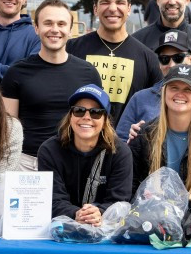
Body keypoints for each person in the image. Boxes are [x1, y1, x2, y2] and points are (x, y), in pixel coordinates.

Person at [127, 64, 191, 230]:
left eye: (188, 89)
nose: (180, 94)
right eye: (174, 87)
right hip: (149, 228)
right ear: (164, 92)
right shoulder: (144, 134)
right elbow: (131, 186)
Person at [1, 0, 100, 168]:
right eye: (48, 23)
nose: (55, 30)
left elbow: (97, 122)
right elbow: (8, 128)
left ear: (70, 30)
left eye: (61, 24)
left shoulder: (89, 74)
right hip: (27, 164)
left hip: (74, 164)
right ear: (36, 28)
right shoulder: (16, 73)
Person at [68, 0, 161, 123]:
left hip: (126, 143)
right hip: (79, 140)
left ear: (129, 8)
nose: (112, 8)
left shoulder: (148, 58)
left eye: (120, 2)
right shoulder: (71, 49)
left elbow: (155, 109)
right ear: (95, 9)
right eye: (105, 2)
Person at [37, 84, 133, 223]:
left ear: (105, 119)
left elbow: (119, 201)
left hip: (105, 230)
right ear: (70, 116)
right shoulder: (49, 150)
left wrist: (99, 213)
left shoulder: (120, 153)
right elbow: (52, 199)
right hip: (61, 228)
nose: (87, 117)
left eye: (95, 112)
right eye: (79, 110)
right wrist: (76, 214)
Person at [115, 30, 191, 138]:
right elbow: (119, 142)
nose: (171, 64)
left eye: (178, 58)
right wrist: (132, 143)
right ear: (159, 64)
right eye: (164, 59)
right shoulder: (139, 99)